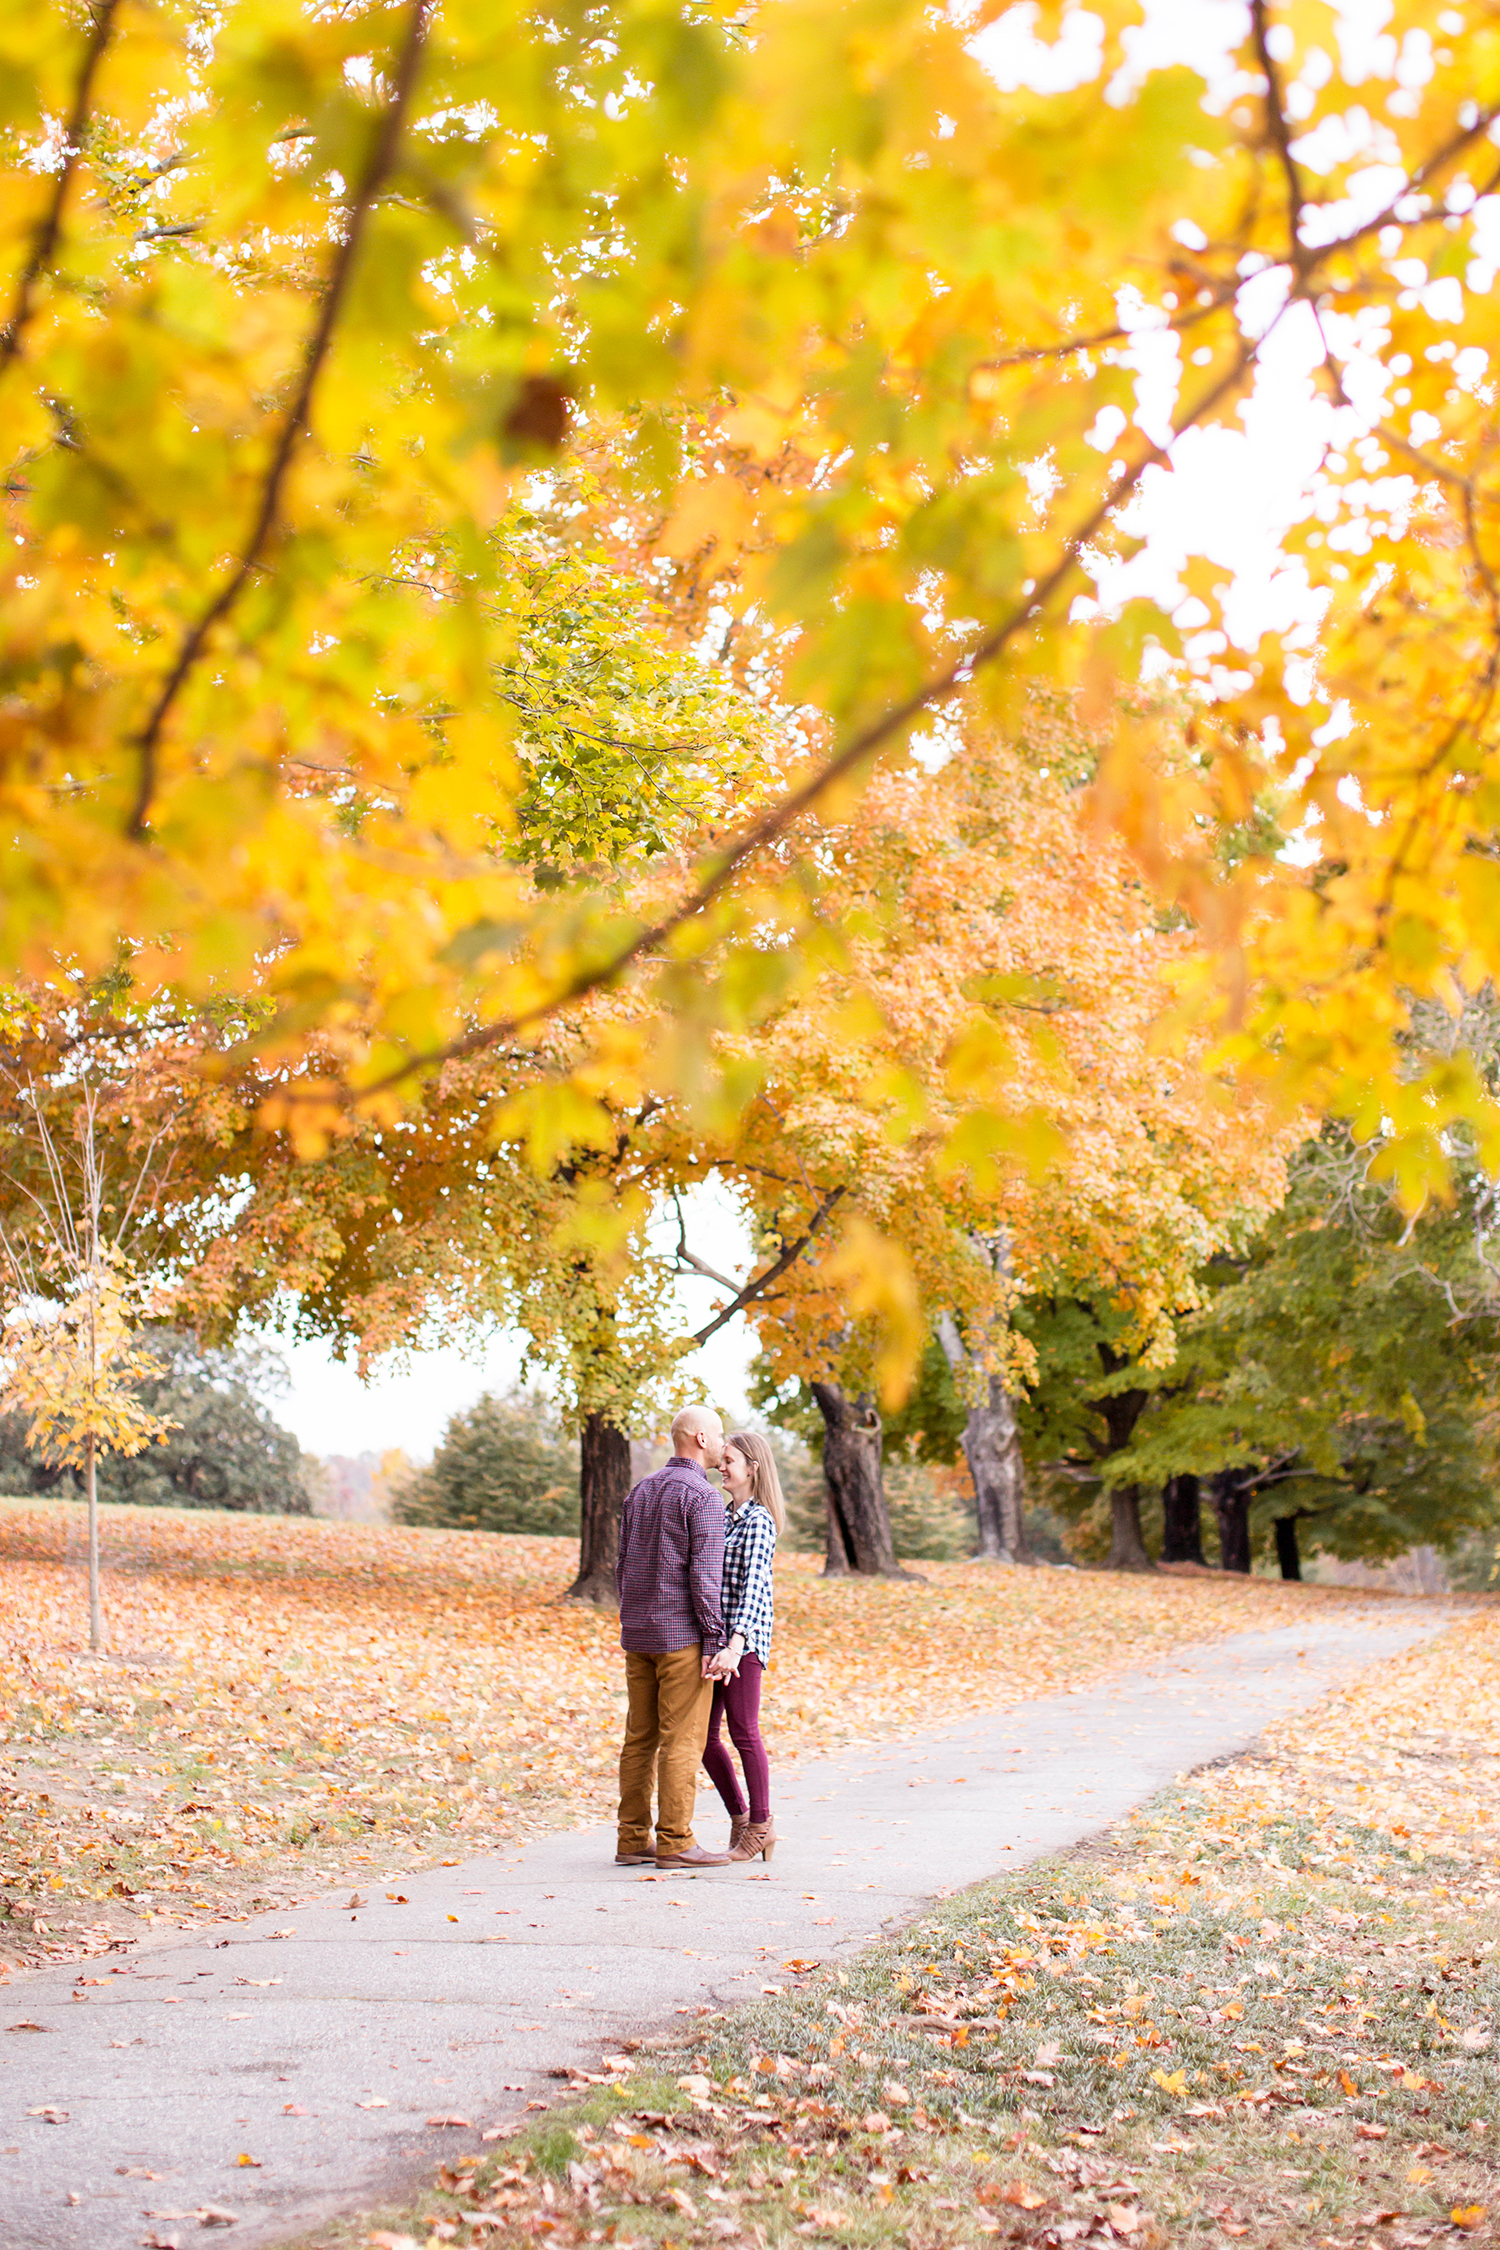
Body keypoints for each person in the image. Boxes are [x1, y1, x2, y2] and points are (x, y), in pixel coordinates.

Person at [614, 1403, 738, 1870]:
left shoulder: (641, 1490)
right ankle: (675, 1840)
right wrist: (715, 1640)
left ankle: (631, 1839)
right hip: (681, 1637)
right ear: (702, 1439)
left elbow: (622, 1565)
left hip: (638, 1633)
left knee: (639, 1738)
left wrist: (630, 1618)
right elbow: (705, 1578)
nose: (724, 1444)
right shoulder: (702, 1497)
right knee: (682, 1740)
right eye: (720, 1435)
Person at [702, 1431, 784, 1863]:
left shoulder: (759, 1521)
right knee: (703, 1737)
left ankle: (761, 1825)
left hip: (743, 1643)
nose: (721, 1465)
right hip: (715, 1643)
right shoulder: (723, 1514)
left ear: (752, 1467)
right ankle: (741, 1818)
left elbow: (753, 1590)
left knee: (744, 1731)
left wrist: (736, 1646)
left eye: (729, 1460)